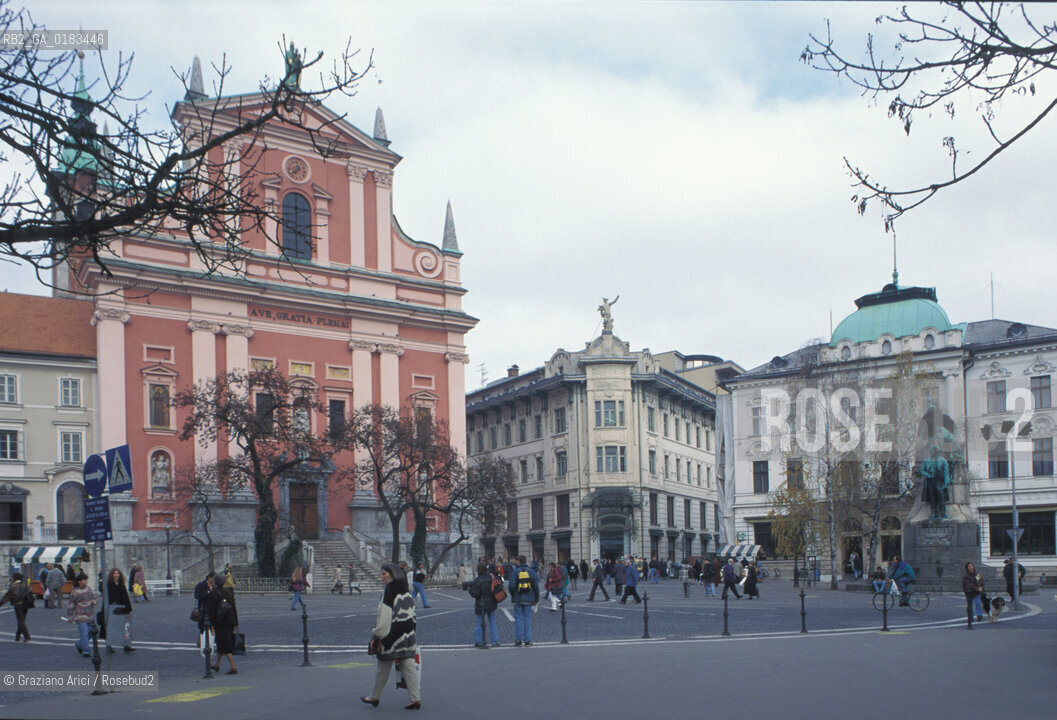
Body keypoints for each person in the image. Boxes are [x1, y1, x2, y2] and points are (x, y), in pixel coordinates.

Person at [361, 563, 421, 709]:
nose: (381, 577)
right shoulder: (406, 589)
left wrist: (376, 636)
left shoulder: (388, 590)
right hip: (407, 634)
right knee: (408, 665)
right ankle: (415, 698)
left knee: (383, 666)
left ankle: (374, 696)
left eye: (384, 574)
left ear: (392, 574)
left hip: (391, 636)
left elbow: (384, 616)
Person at [207, 573, 239, 674]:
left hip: (220, 622)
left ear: (216, 582)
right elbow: (234, 608)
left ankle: (233, 666)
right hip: (230, 621)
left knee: (225, 644)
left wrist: (211, 623)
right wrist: (236, 622)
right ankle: (217, 664)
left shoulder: (214, 593)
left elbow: (211, 610)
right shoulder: (229, 593)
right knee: (221, 643)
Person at [507, 555, 540, 647]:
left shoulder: (515, 572)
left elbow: (511, 586)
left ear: (519, 562)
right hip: (529, 599)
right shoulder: (531, 572)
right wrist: (536, 598)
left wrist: (513, 594)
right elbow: (536, 586)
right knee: (527, 619)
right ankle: (528, 640)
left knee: (518, 619)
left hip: (517, 599)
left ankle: (518, 640)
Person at [100, 568, 134, 653]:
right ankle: (109, 645)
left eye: (118, 573)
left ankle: (126, 644)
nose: (116, 575)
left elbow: (125, 597)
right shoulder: (109, 585)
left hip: (122, 608)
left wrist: (128, 608)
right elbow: (106, 598)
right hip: (112, 608)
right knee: (111, 628)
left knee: (125, 627)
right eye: (114, 573)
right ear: (112, 575)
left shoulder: (122, 585)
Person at [467, 562, 499, 648]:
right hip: (491, 603)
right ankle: (495, 641)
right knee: (492, 622)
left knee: (479, 623)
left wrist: (470, 590)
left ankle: (479, 641)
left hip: (480, 604)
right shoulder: (492, 577)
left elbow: (475, 594)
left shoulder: (477, 580)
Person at [67, 572, 97, 657]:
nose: (86, 581)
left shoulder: (89, 589)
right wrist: (70, 616)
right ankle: (86, 651)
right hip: (80, 616)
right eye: (84, 580)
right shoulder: (75, 591)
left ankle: (80, 644)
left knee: (91, 633)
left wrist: (94, 601)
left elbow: (93, 597)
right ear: (79, 581)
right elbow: (71, 604)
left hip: (90, 615)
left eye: (86, 580)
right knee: (84, 633)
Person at [0, 572, 33, 641]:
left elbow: (7, 596)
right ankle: (17, 636)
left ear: (14, 578)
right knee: (22, 620)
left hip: (18, 604)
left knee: (20, 620)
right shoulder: (25, 585)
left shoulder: (14, 586)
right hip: (26, 604)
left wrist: (1, 604)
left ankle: (27, 636)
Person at [962, 562, 984, 629]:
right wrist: (977, 588)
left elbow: (981, 581)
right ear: (967, 567)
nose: (971, 567)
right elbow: (968, 584)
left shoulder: (977, 574)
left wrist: (981, 585)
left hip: (976, 592)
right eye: (969, 566)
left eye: (972, 566)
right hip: (969, 592)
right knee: (969, 607)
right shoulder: (966, 576)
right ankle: (970, 619)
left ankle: (979, 615)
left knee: (978, 604)